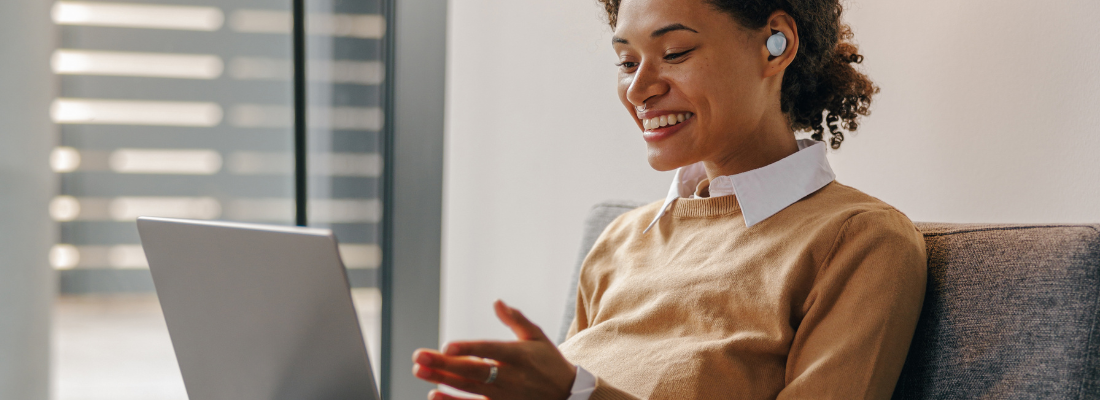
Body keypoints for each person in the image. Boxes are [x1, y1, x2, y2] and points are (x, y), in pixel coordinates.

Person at [411, 0, 927, 398]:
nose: (638, 90)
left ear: (776, 43)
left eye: (674, 53)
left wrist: (578, 393)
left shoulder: (860, 240)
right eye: (625, 61)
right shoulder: (620, 241)